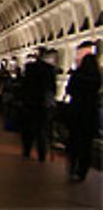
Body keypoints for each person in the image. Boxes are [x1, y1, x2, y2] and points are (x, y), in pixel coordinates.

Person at [64, 44, 100, 181]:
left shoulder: (77, 75)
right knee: (86, 144)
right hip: (90, 114)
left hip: (76, 112)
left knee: (74, 140)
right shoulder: (97, 78)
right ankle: (82, 170)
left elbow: (69, 90)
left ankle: (72, 164)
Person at [20, 48, 57, 161]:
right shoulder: (50, 69)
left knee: (28, 128)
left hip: (30, 102)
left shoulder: (29, 68)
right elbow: (52, 88)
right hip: (43, 103)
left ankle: (27, 150)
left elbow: (24, 84)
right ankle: (42, 153)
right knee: (41, 128)